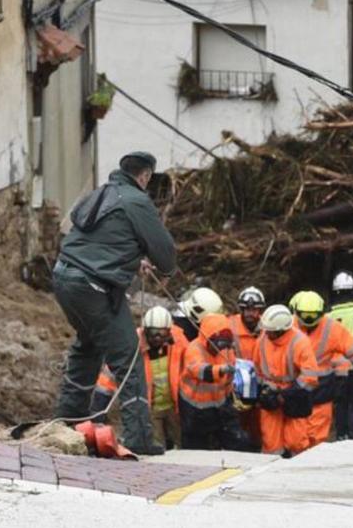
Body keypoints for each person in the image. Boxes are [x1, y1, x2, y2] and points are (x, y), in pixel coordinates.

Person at [52, 151, 176, 455]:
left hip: (63, 278)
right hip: (94, 286)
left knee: (89, 345)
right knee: (129, 356)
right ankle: (139, 437)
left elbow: (95, 241)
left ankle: (69, 420)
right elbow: (166, 255)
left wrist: (132, 261)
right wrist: (159, 263)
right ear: (145, 176)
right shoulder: (137, 200)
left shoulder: (99, 194)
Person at [91, 306, 183, 449]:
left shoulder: (178, 341)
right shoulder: (132, 346)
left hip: (173, 407)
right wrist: (98, 408)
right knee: (158, 446)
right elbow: (108, 376)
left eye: (162, 333)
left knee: (182, 445)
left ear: (169, 332)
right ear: (145, 331)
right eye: (153, 333)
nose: (157, 337)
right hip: (149, 410)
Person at [290, 290, 353, 445]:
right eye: (305, 315)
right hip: (295, 389)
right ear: (296, 312)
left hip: (322, 390)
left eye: (313, 316)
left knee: (317, 438)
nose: (308, 320)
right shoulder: (288, 326)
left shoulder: (332, 328)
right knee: (295, 438)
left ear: (321, 313)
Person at [253, 305, 321, 457]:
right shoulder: (262, 340)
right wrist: (262, 392)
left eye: (270, 330)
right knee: (271, 443)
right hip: (270, 395)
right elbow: (257, 369)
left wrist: (284, 395)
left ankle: (298, 472)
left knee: (296, 442)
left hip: (295, 396)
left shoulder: (300, 342)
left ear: (281, 330)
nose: (266, 333)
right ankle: (270, 473)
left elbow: (310, 376)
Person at [179, 314, 253, 450]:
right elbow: (199, 370)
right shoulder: (194, 349)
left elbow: (230, 374)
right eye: (218, 343)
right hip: (195, 410)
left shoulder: (226, 350)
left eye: (224, 343)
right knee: (196, 449)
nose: (220, 348)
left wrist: (231, 397)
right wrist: (221, 370)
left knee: (238, 442)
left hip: (220, 406)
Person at [230, 286, 266, 443]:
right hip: (237, 386)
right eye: (246, 310)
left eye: (254, 310)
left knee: (261, 426)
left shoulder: (269, 328)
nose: (250, 314)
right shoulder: (229, 326)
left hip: (261, 384)